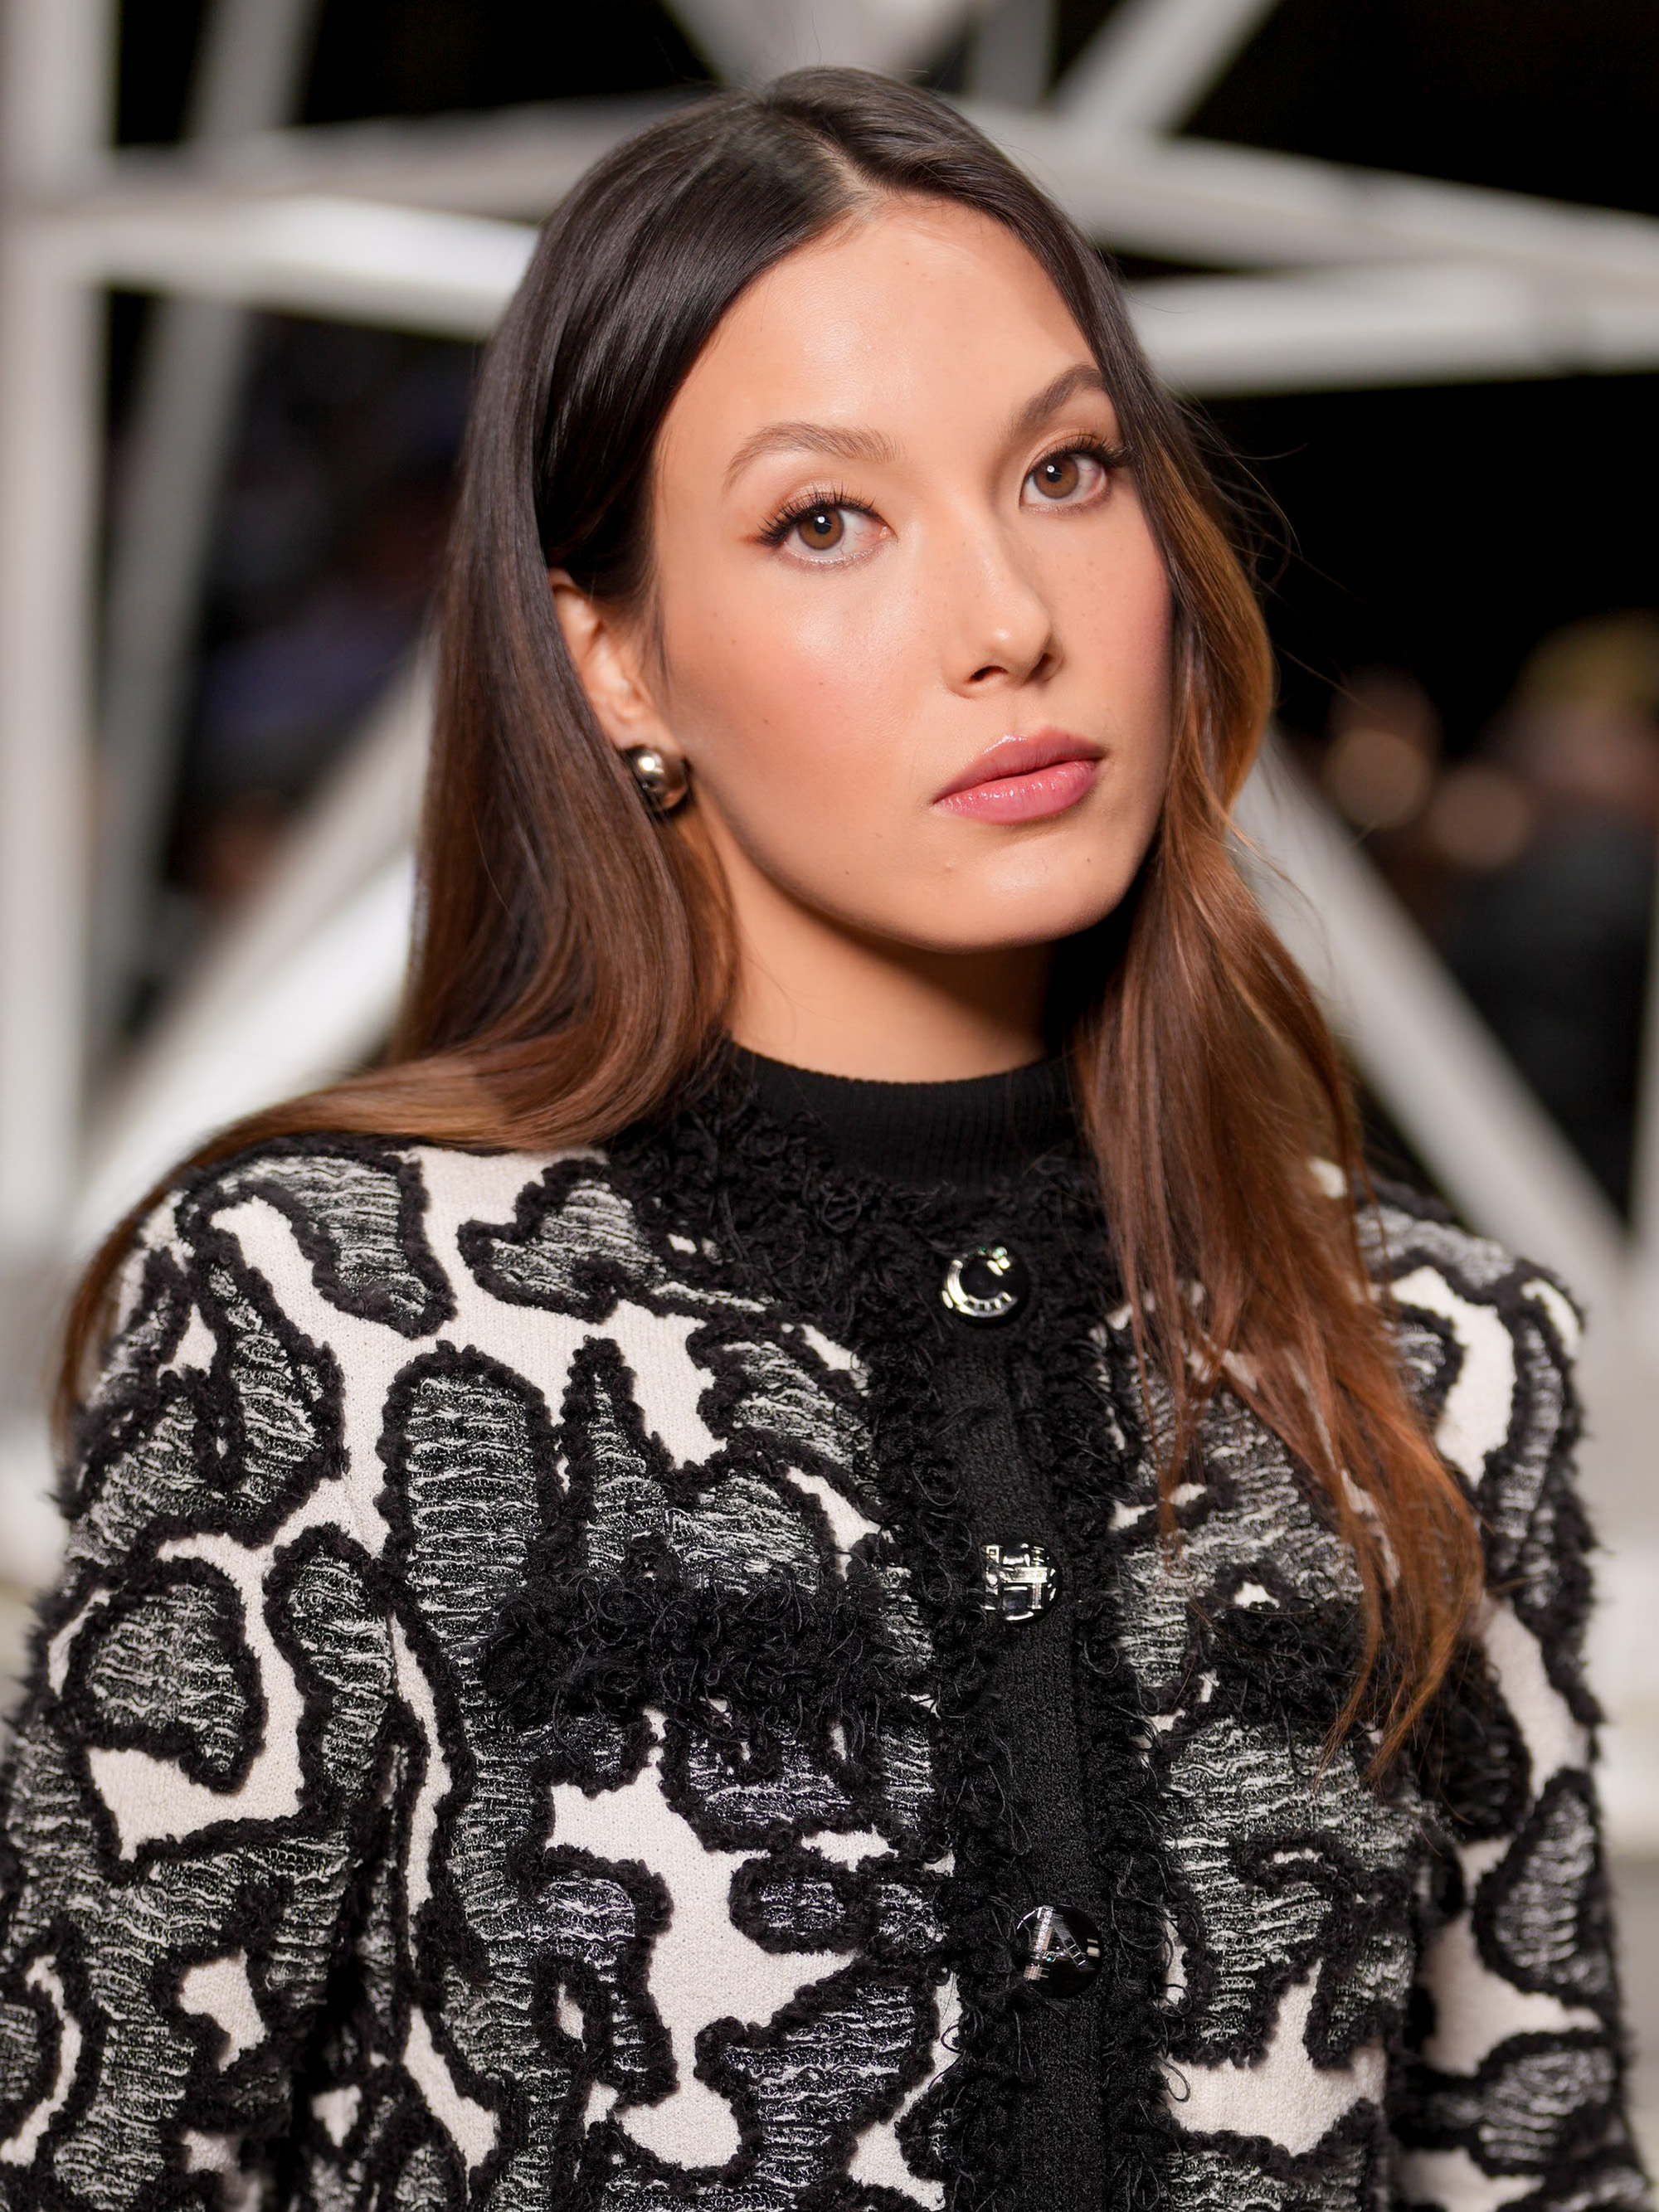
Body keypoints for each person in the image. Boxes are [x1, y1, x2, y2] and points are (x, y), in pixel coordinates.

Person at [0, 71, 1647, 2212]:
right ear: (613, 657)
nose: (1010, 621)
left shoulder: (1432, 1355)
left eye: (1066, 472)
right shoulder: (333, 1310)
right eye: (825, 520)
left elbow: (1533, 2164)